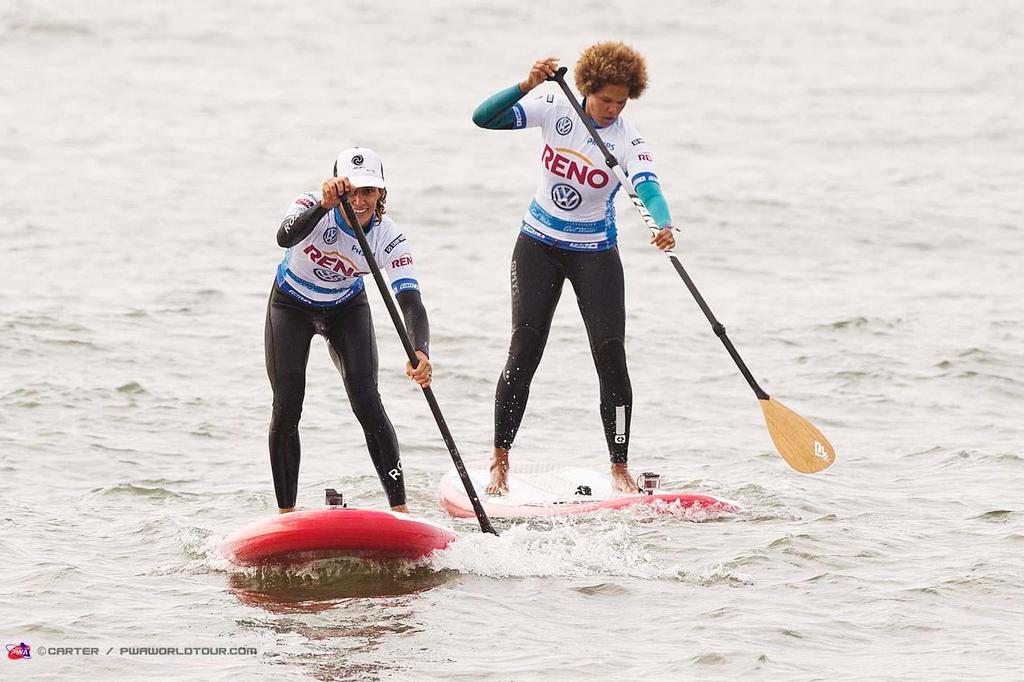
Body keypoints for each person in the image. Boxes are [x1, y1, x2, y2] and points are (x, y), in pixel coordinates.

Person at [471, 41, 677, 495]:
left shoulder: (626, 139)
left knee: (611, 357)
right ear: (587, 88)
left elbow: (649, 188)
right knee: (524, 349)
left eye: (622, 102)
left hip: (595, 254)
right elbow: (482, 118)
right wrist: (526, 83)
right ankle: (500, 459)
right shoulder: (553, 104)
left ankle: (619, 466)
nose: (612, 109)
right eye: (606, 99)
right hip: (538, 245)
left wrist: (663, 224)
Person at [265, 147, 431, 513]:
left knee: (368, 402)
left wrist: (420, 350)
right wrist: (323, 206)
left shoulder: (389, 236)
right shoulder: (311, 205)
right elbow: (284, 237)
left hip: (346, 308)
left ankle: (400, 510)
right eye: (351, 191)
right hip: (290, 305)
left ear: (380, 194)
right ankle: (285, 513)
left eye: (369, 191)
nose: (359, 200)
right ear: (337, 190)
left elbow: (410, 299)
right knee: (287, 405)